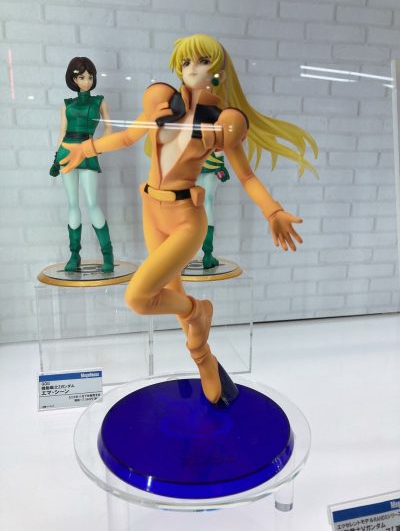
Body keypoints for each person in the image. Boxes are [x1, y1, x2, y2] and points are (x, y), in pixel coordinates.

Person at [60, 34, 318, 406]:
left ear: (219, 71)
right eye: (185, 62)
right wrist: (86, 148)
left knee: (138, 297)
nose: (192, 69)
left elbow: (246, 175)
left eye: (202, 62)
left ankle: (200, 312)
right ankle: (203, 357)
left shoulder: (221, 122)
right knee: (174, 297)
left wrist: (272, 210)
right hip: (151, 211)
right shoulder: (162, 103)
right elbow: (129, 136)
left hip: (185, 219)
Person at [50, 56, 114, 273]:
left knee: (92, 203)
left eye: (90, 77)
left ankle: (108, 254)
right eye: (82, 77)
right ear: (73, 79)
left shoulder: (99, 102)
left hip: (87, 151)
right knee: (72, 204)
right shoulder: (66, 104)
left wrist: (97, 147)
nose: (87, 81)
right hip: (67, 151)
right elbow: (62, 132)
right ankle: (74, 254)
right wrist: (55, 158)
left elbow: (109, 128)